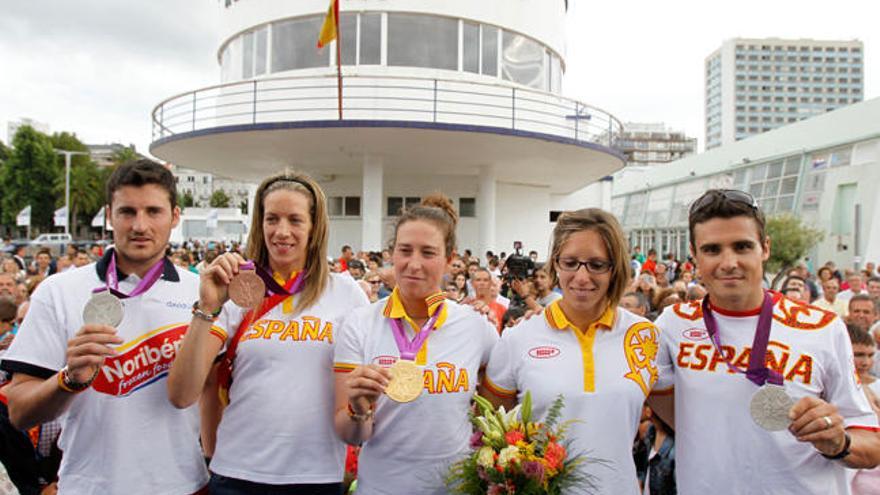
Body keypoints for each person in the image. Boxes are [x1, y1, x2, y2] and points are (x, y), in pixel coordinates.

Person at [0, 159, 210, 493]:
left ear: (175, 216)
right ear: (109, 215)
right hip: (90, 486)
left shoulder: (203, 295)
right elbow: (19, 412)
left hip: (181, 484)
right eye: (128, 212)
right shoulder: (59, 291)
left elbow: (216, 398)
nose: (140, 225)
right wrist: (67, 380)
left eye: (153, 211)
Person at [654, 189, 880, 495]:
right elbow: (671, 411)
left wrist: (839, 442)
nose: (729, 262)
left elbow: (872, 444)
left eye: (742, 246)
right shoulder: (672, 324)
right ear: (694, 254)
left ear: (765, 248)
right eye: (712, 249)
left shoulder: (823, 327)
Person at [168, 172, 368, 493]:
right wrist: (207, 307)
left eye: (295, 220)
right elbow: (182, 394)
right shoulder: (237, 290)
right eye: (272, 218)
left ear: (314, 227)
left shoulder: (345, 293)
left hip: (314, 476)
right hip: (236, 474)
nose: (282, 231)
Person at [484, 208, 661, 494]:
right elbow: (492, 434)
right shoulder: (517, 338)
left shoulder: (645, 336)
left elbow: (677, 417)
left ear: (615, 267)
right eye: (570, 263)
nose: (581, 276)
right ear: (555, 264)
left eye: (596, 264)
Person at [333, 194, 498, 495]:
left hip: (457, 489)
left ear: (450, 260)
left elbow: (495, 412)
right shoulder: (359, 324)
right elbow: (351, 435)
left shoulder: (476, 327)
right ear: (391, 254)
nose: (414, 264)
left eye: (428, 253)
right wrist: (357, 408)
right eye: (405, 250)